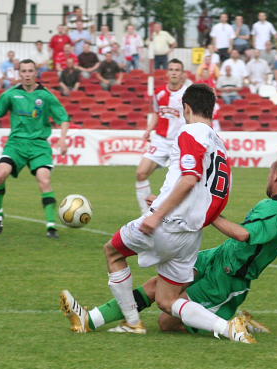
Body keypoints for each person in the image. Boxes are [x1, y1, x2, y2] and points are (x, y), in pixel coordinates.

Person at [60, 157, 277, 342]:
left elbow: (246, 235)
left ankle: (232, 322)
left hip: (231, 275)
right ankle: (90, 319)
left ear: (276, 176)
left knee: (167, 322)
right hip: (219, 256)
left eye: (268, 174)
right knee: (157, 286)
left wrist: (207, 214)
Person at [82, 83, 231, 337]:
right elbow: (213, 193)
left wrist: (159, 214)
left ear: (186, 107)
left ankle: (132, 322)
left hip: (167, 224)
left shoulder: (190, 132)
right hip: (191, 233)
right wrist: (164, 200)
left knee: (113, 252)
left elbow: (189, 178)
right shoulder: (220, 144)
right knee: (167, 299)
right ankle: (227, 328)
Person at [0, 59, 70, 238]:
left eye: (30, 71)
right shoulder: (10, 94)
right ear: (18, 74)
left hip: (39, 145)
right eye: (24, 71)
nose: (27, 74)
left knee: (44, 180)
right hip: (16, 144)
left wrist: (63, 139)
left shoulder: (46, 96)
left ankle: (51, 226)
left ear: (35, 73)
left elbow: (63, 118)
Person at [135, 59, 189, 213]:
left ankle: (174, 213)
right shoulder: (159, 93)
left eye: (177, 70)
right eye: (171, 69)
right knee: (141, 173)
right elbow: (157, 114)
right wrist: (148, 130)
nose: (174, 72)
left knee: (177, 184)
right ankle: (145, 213)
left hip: (179, 144)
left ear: (182, 74)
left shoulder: (187, 93)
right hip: (160, 140)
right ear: (166, 73)